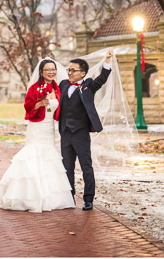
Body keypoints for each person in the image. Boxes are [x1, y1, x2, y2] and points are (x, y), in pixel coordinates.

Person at [0, 59, 75, 212]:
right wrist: (39, 104)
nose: (51, 72)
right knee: (33, 155)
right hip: (37, 126)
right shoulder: (34, 88)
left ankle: (52, 197)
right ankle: (29, 196)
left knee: (49, 157)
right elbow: (27, 107)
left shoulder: (57, 88)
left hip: (49, 129)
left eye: (53, 69)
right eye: (47, 69)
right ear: (41, 71)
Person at [55, 49, 113, 211]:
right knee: (67, 167)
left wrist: (107, 61)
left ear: (83, 73)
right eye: (69, 69)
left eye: (73, 70)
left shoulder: (88, 85)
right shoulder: (63, 84)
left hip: (80, 132)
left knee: (86, 166)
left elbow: (102, 78)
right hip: (65, 132)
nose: (70, 73)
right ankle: (69, 197)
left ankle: (88, 199)